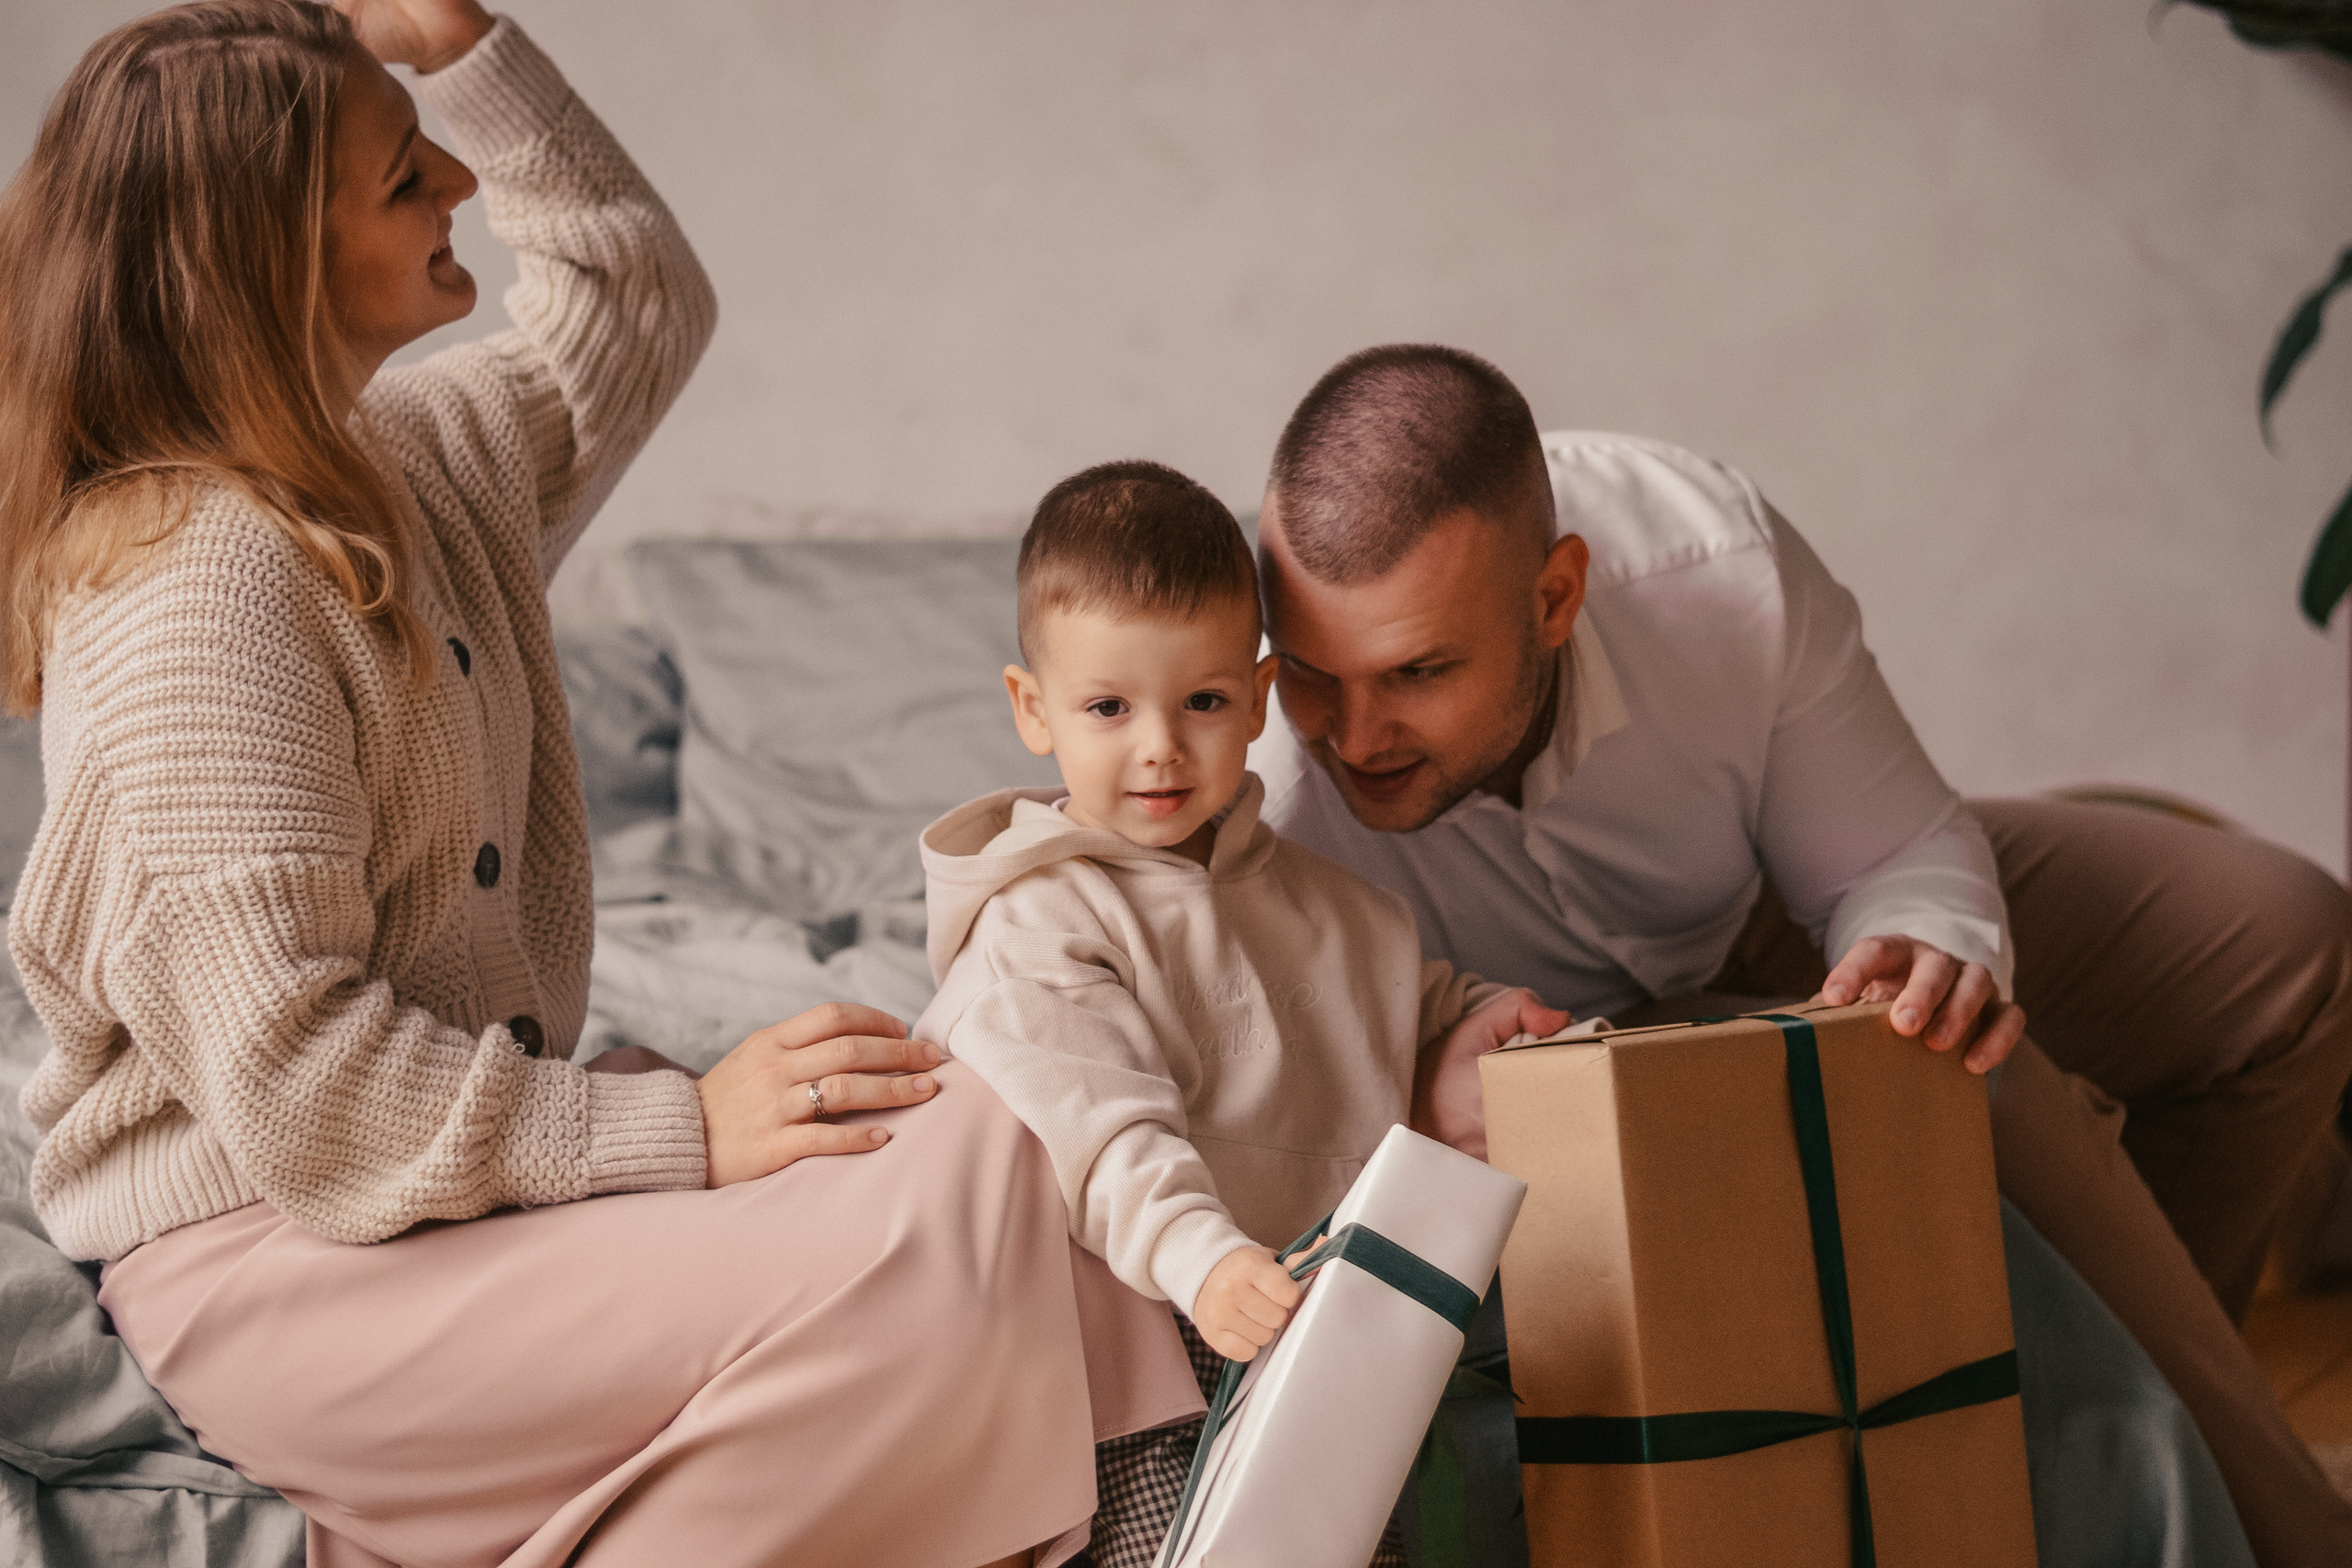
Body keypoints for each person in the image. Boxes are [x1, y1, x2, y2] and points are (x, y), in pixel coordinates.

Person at [0, 5, 1198, 1565]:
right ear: (272, 262)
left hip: (448, 1200)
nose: (457, 177)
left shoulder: (412, 459)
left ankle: (1175, 1525)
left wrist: (460, 44)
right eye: (393, 174)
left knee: (997, 1128)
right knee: (941, 1217)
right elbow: (300, 1085)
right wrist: (676, 1130)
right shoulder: (192, 593)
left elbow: (629, 292)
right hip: (291, 1261)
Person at [1248, 343, 2352, 1567]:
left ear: (1557, 596)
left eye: (1417, 672)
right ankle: (2281, 1525)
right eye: (1313, 673)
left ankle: (2104, 1436)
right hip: (1548, 1061)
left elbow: (1899, 846)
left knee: (2285, 944)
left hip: (1768, 918)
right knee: (1971, 1078)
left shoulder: (1708, 562)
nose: (1352, 733)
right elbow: (1223, 1077)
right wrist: (1406, 1072)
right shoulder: (1247, 757)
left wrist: (1927, 942)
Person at [912, 461, 1566, 1568]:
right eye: (1108, 707)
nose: (1160, 744)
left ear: (1259, 697)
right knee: (1189, 1548)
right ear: (1034, 709)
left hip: (1333, 1325)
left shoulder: (1328, 904)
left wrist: (1504, 1025)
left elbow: (1394, 994)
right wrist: (1200, 1260)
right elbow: (1103, 1134)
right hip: (1139, 1338)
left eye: (1203, 702)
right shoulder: (1041, 919)